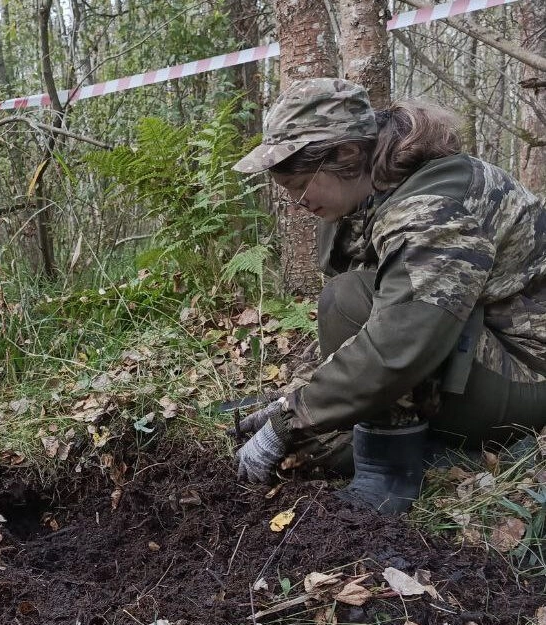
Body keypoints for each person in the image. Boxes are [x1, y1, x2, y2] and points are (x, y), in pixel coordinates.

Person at [229, 78, 546, 513]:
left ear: (346, 154)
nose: (298, 203)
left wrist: (288, 420)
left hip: (529, 372)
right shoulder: (376, 191)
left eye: (300, 186)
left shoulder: (433, 208)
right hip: (481, 350)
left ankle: (388, 474)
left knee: (347, 301)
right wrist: (293, 400)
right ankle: (435, 449)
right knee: (319, 437)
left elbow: (400, 340)